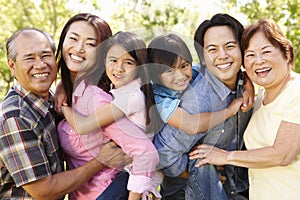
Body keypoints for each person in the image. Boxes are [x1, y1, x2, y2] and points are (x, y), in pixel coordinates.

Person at [0, 27, 130, 200]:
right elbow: (43, 191)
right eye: (29, 58)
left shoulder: (51, 101)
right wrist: (101, 161)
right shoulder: (15, 117)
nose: (40, 64)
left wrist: (63, 86)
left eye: (46, 55)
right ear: (12, 65)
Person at [190, 19, 300, 200]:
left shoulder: (296, 91)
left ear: (286, 54)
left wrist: (225, 157)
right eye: (250, 55)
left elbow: (283, 154)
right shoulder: (258, 98)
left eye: (266, 51)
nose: (259, 61)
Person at [154, 13, 253, 200]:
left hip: (236, 186)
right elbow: (164, 155)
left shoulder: (246, 81)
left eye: (230, 46)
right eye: (212, 49)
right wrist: (206, 172)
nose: (223, 56)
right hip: (187, 193)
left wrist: (249, 84)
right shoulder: (197, 100)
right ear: (203, 57)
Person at [60, 31, 161, 200]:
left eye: (128, 62)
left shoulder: (130, 97)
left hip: (132, 178)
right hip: (132, 174)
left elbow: (83, 126)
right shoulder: (124, 91)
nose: (118, 68)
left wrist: (64, 108)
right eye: (113, 60)